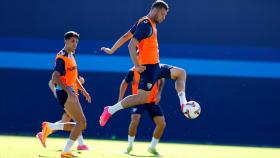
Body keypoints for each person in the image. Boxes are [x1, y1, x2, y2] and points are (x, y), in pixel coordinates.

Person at [100, 0, 188, 127]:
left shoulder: (146, 22)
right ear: (155, 10)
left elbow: (126, 36)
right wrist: (136, 65)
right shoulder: (145, 24)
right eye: (162, 14)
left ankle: (183, 104)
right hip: (148, 69)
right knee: (141, 99)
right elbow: (131, 45)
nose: (164, 18)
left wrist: (112, 50)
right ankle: (110, 110)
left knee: (181, 73)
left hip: (156, 66)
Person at [38, 31, 91, 158]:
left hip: (71, 93)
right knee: (81, 122)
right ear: (66, 41)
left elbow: (75, 78)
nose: (75, 44)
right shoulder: (61, 57)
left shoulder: (71, 55)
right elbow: (55, 77)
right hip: (65, 93)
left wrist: (83, 91)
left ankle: (50, 127)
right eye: (72, 41)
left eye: (77, 42)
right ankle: (66, 151)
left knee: (81, 124)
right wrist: (69, 92)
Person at [120, 67, 166, 156]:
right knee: (135, 120)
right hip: (138, 100)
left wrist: (159, 94)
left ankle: (152, 147)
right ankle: (129, 146)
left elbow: (162, 79)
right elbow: (124, 83)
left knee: (162, 123)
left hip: (152, 101)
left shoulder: (154, 69)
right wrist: (120, 100)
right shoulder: (132, 71)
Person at [36, 76, 89, 151]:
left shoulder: (67, 72)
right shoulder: (62, 70)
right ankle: (80, 144)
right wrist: (55, 92)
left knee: (73, 122)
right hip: (69, 99)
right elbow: (52, 81)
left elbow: (81, 80)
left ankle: (80, 144)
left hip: (71, 98)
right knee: (79, 122)